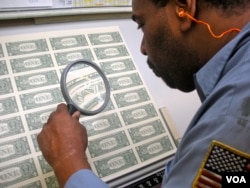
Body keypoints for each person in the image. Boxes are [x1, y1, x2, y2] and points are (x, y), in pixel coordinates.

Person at [37, 0, 250, 187]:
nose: (143, 48)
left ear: (183, 9)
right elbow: (236, 180)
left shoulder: (232, 117)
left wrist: (67, 161)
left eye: (141, 24)